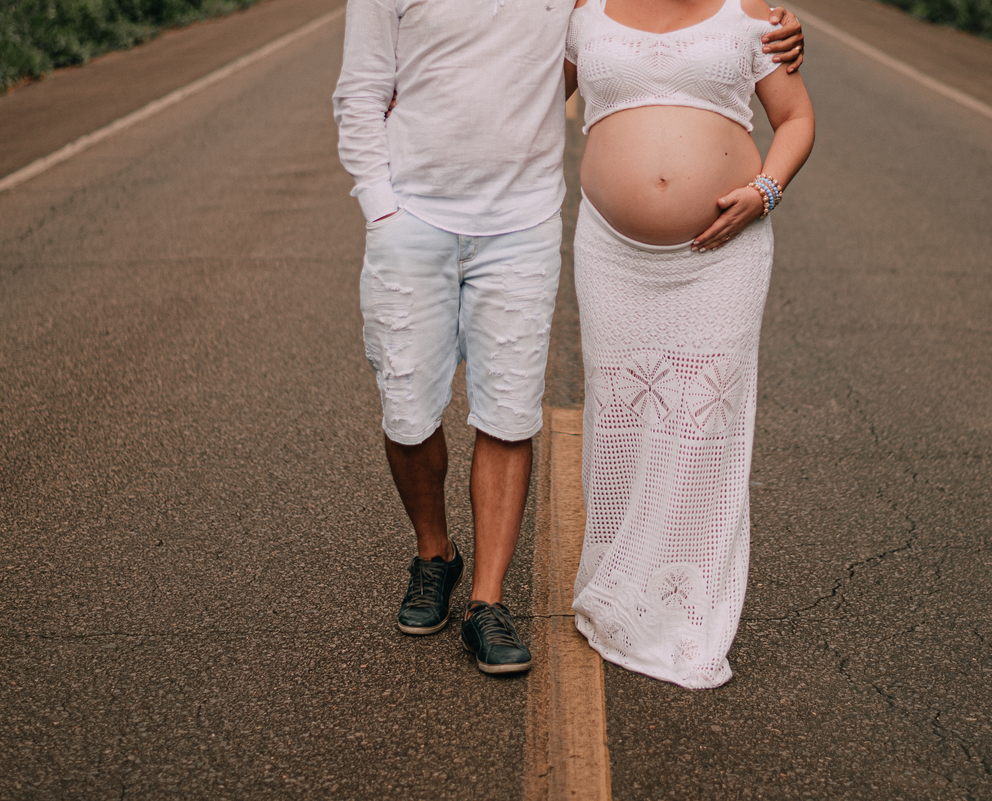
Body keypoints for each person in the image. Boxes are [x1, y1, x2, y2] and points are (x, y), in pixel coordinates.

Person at [333, 0, 805, 676]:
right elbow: (379, 89)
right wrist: (384, 206)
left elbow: (771, 93)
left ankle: (494, 603)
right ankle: (438, 553)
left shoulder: (601, 1)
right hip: (422, 218)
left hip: (537, 227)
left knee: (519, 413)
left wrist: (778, 43)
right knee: (412, 414)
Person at [564, 0, 815, 687]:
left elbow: (796, 118)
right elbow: (522, 97)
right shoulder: (583, 10)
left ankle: (683, 602)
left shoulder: (752, 12)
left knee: (703, 425)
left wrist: (765, 190)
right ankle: (618, 582)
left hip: (722, 255)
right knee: (619, 417)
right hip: (612, 253)